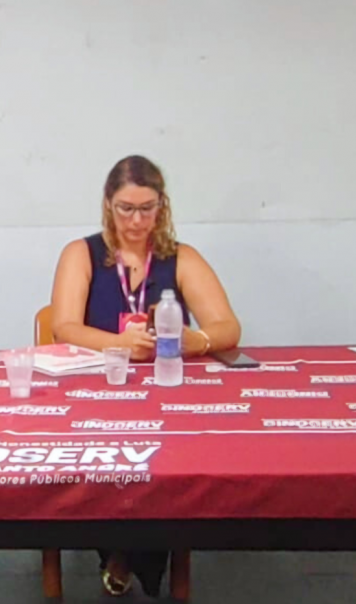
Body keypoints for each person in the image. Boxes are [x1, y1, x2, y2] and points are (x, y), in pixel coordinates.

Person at [49, 154, 240, 597]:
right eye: (126, 209)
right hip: (98, 391)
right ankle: (122, 551)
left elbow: (228, 328)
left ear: (162, 207)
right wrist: (118, 345)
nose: (136, 221)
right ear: (108, 206)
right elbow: (64, 327)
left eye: (147, 209)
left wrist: (198, 341)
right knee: (109, 458)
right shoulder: (82, 253)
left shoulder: (180, 257)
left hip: (167, 392)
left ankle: (130, 554)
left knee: (167, 460)